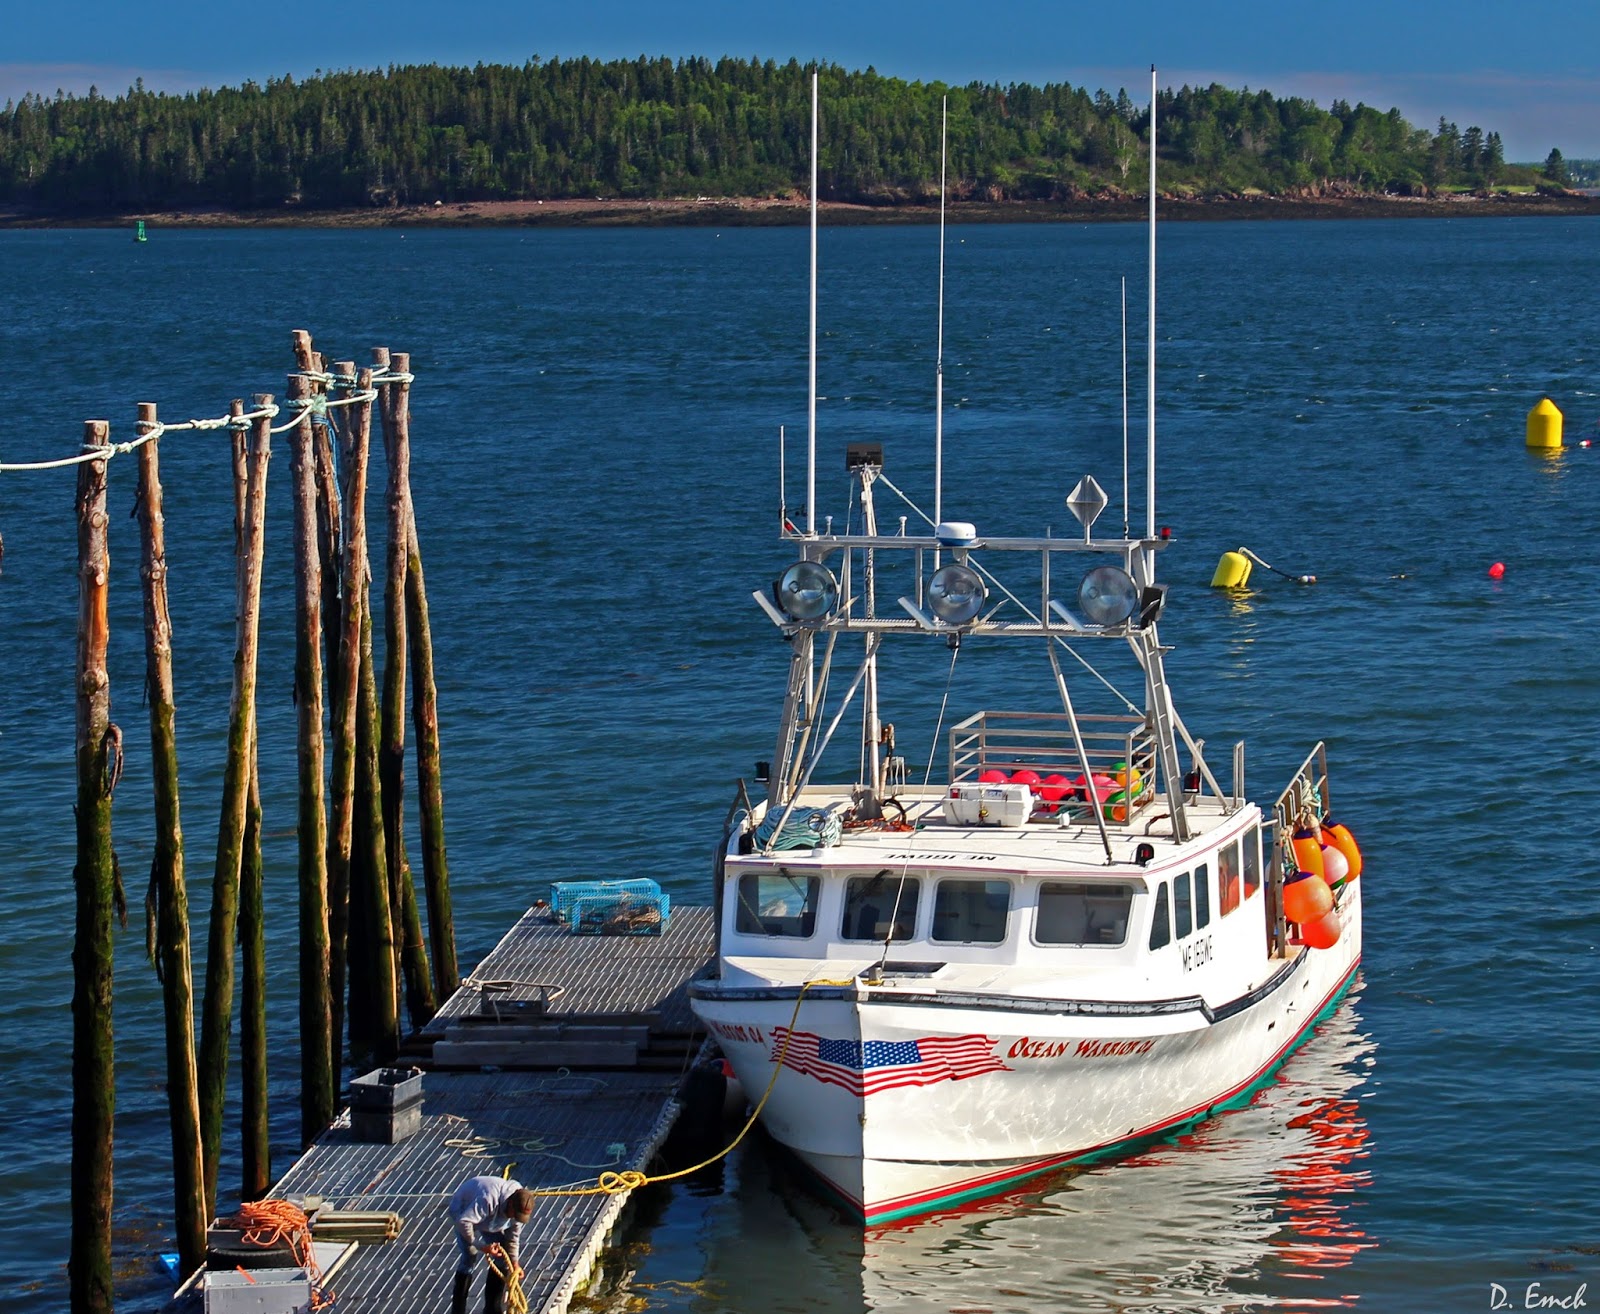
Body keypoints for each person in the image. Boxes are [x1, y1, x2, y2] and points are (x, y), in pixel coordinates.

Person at [447, 1175, 535, 1314]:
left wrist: (515, 1263)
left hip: (492, 1221)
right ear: (511, 1203)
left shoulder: (518, 1208)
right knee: (469, 1256)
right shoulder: (488, 1199)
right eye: (514, 1214)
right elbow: (464, 1222)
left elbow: (512, 1237)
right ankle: (458, 1310)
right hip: (464, 1212)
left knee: (502, 1259)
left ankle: (492, 1309)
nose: (514, 1218)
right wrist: (480, 1245)